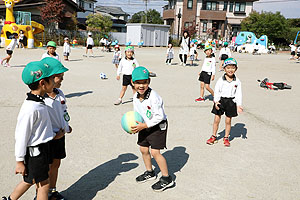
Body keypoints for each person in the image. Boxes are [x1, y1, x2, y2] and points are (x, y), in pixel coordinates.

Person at [2, 60, 66, 200]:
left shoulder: (39, 101)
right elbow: (21, 135)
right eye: (51, 80)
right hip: (37, 152)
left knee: (30, 180)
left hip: (42, 149)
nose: (54, 82)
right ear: (43, 83)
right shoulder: (31, 108)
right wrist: (19, 161)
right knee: (43, 184)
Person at [131, 66, 174, 192]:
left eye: (144, 82)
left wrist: (144, 125)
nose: (141, 86)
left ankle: (167, 178)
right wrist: (135, 125)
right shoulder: (135, 97)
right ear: (133, 83)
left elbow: (159, 116)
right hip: (144, 125)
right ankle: (150, 172)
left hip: (158, 126)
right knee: (143, 149)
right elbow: (137, 112)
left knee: (155, 153)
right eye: (138, 83)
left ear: (149, 82)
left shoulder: (154, 97)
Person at [42, 57, 71, 200]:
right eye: (59, 76)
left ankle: (52, 191)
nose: (61, 79)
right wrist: (53, 136)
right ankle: (41, 194)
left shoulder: (59, 93)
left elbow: (64, 111)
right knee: (45, 168)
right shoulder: (41, 99)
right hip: (48, 138)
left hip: (60, 135)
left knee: (56, 164)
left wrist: (66, 126)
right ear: (49, 77)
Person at [206, 58, 243, 147]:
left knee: (228, 121)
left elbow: (238, 94)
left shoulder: (237, 81)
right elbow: (217, 91)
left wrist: (238, 105)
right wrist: (216, 101)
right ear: (224, 68)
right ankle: (214, 136)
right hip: (221, 101)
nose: (230, 70)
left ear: (236, 69)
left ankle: (226, 137)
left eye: (233, 68)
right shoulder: (221, 80)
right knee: (216, 119)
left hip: (231, 101)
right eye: (228, 68)